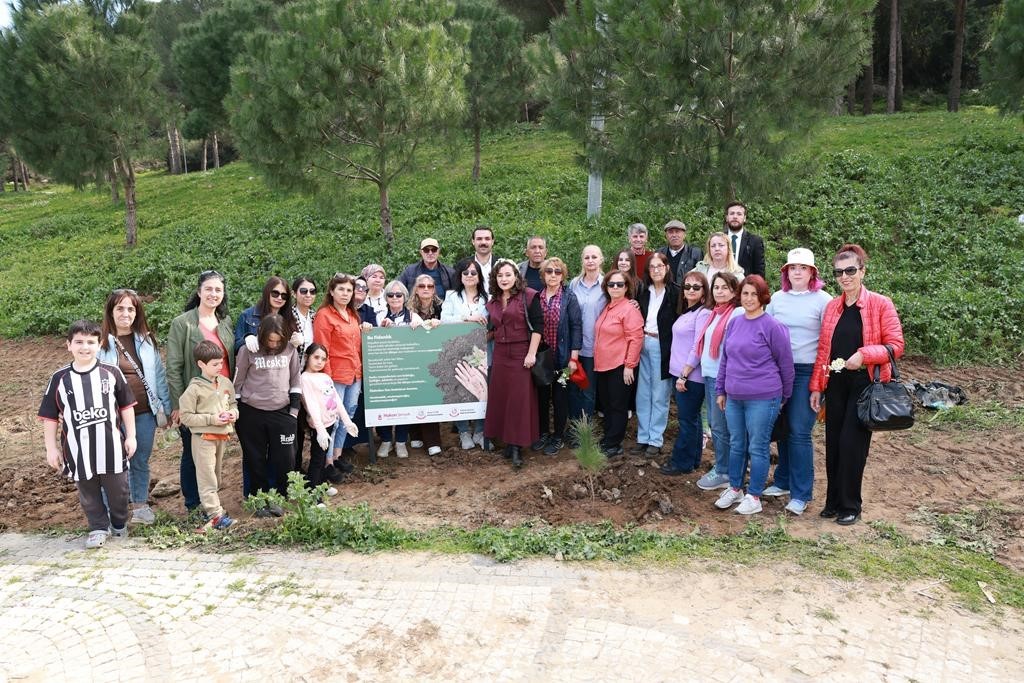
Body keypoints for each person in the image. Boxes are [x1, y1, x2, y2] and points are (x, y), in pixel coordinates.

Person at [810, 244, 904, 526]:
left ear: (862, 271)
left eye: (850, 270)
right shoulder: (831, 307)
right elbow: (823, 351)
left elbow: (895, 346)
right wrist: (817, 386)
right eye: (839, 272)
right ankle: (834, 502)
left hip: (865, 383)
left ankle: (851, 504)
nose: (845, 277)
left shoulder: (880, 303)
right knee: (834, 444)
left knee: (852, 445)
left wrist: (864, 355)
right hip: (836, 382)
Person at [40, 320, 137, 549]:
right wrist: (51, 448)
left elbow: (126, 407)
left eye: (90, 342)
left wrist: (131, 436)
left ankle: (119, 524)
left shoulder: (111, 372)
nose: (85, 347)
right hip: (77, 450)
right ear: (69, 345)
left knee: (119, 491)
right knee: (89, 494)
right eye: (79, 342)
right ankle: (98, 528)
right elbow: (49, 417)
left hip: (112, 447)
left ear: (100, 344)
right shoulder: (59, 378)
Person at [713, 276, 794, 515]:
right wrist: (721, 389)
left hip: (763, 397)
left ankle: (754, 495)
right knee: (737, 443)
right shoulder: (735, 323)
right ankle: (736, 488)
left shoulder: (772, 327)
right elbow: (725, 359)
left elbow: (786, 365)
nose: (749, 299)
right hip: (734, 397)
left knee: (757, 447)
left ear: (763, 297)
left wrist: (784, 398)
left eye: (754, 294)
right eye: (745, 293)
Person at [764, 248, 832, 515]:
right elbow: (766, 331)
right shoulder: (777, 299)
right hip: (779, 370)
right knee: (782, 426)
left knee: (800, 431)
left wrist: (820, 382)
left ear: (812, 272)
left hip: (807, 371)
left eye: (803, 268)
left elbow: (827, 342)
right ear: (786, 272)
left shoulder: (823, 300)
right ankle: (782, 480)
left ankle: (802, 492)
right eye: (793, 268)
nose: (797, 272)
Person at [97, 288, 172, 526]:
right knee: (112, 462)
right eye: (120, 308)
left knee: (139, 460)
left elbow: (159, 377)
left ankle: (140, 506)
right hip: (112, 416)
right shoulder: (100, 344)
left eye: (131, 308)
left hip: (144, 413)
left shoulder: (146, 340)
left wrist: (166, 409)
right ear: (110, 311)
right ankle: (110, 511)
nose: (125, 313)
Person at [167, 270, 234, 514]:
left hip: (220, 399)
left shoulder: (225, 323)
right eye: (209, 289)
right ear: (199, 292)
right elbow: (174, 367)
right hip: (195, 401)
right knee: (191, 452)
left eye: (218, 290)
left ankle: (211, 501)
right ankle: (194, 504)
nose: (213, 294)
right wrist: (177, 404)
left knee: (214, 453)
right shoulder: (182, 323)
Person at [234, 314, 301, 514]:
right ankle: (259, 501)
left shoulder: (290, 349)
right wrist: (237, 410)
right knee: (255, 459)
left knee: (284, 460)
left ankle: (279, 498)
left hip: (282, 412)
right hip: (251, 412)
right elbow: (237, 382)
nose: (273, 344)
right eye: (269, 340)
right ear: (261, 335)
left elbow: (296, 380)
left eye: (277, 340)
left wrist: (294, 413)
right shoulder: (248, 350)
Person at [684, 272, 743, 491]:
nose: (719, 291)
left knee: (722, 426)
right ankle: (724, 467)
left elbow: (734, 349)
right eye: (716, 287)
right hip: (709, 375)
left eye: (724, 287)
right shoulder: (713, 313)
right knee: (717, 426)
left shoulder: (736, 313)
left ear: (734, 291)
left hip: (723, 378)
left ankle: (725, 471)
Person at [484, 259, 543, 467]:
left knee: (519, 401)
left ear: (516, 276)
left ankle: (518, 447)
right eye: (500, 276)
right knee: (502, 399)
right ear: (495, 279)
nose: (504, 279)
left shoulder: (529, 297)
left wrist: (531, 354)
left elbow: (538, 327)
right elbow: (491, 330)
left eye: (508, 275)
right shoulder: (493, 302)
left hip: (521, 354)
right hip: (500, 355)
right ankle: (508, 443)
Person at [177, 340, 238, 531]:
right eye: (215, 364)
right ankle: (216, 516)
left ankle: (212, 511)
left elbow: (234, 404)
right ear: (201, 364)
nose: (219, 367)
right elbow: (185, 416)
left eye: (221, 363)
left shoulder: (226, 382)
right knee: (207, 479)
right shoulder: (194, 388)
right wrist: (212, 419)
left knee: (216, 477)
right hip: (203, 439)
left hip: (222, 437)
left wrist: (233, 415)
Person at [661, 271, 712, 476]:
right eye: (687, 286)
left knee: (686, 420)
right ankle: (693, 460)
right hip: (680, 373)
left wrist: (684, 374)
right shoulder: (688, 312)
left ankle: (681, 462)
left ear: (704, 292)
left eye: (696, 287)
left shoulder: (703, 313)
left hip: (691, 377)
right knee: (693, 419)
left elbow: (698, 346)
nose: (690, 290)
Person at [313, 273, 364, 468]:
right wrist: (326, 378)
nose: (345, 293)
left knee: (348, 415)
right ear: (332, 292)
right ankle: (327, 463)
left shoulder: (352, 315)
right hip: (335, 376)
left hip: (354, 374)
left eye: (349, 290)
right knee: (332, 418)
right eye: (341, 289)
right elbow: (321, 350)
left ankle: (337, 455)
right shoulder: (324, 315)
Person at [532, 257, 582, 456]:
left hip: (563, 358)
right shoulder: (537, 297)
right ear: (543, 275)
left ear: (563, 275)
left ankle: (558, 436)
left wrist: (574, 358)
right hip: (543, 358)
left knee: (561, 398)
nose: (553, 275)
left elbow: (576, 327)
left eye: (557, 272)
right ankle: (543, 432)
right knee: (542, 397)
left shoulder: (569, 297)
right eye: (549, 271)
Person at [593, 270, 644, 457]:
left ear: (626, 287)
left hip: (619, 366)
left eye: (619, 284)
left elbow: (636, 338)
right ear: (606, 287)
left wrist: (629, 365)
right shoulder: (608, 307)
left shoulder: (629, 309)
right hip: (603, 365)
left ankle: (614, 443)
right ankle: (608, 438)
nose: (615, 287)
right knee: (607, 405)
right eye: (611, 284)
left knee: (618, 405)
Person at [634, 252, 680, 456]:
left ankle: (655, 439)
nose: (656, 270)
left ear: (667, 268)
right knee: (643, 393)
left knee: (660, 394)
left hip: (663, 346)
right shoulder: (643, 292)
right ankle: (643, 437)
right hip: (642, 342)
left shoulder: (675, 292)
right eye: (652, 267)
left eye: (659, 266)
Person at [441, 257, 489, 450]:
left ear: (479, 276)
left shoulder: (487, 298)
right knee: (460, 391)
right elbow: (444, 319)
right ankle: (463, 432)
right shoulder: (452, 296)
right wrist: (468, 317)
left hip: (482, 352)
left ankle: (479, 431)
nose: (470, 276)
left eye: (473, 272)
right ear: (460, 276)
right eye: (466, 273)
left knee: (482, 391)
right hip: (457, 351)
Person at [300, 343, 358, 495]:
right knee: (317, 458)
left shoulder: (325, 377)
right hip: (319, 426)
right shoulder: (305, 378)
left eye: (323, 359)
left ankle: (321, 484)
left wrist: (347, 421)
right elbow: (310, 404)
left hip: (330, 422)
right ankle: (314, 493)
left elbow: (336, 400)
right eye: (316, 357)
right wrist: (319, 429)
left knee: (324, 455)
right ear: (307, 357)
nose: (319, 361)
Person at [375, 280, 422, 458]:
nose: (395, 298)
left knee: (404, 406)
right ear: (386, 298)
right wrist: (381, 329)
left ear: (405, 297)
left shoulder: (413, 317)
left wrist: (421, 326)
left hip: (406, 370)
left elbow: (422, 338)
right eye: (390, 295)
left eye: (398, 295)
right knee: (384, 405)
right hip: (383, 370)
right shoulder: (378, 315)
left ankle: (401, 441)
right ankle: (386, 440)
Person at [567, 245, 606, 429]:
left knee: (588, 391)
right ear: (582, 260)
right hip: (572, 348)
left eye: (594, 257)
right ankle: (574, 427)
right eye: (587, 257)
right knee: (572, 388)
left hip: (593, 348)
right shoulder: (574, 284)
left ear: (601, 259)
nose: (590, 260)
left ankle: (585, 430)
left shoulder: (607, 284)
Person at [408, 274, 444, 456]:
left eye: (430, 286)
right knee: (414, 393)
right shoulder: (406, 307)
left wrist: (441, 323)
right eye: (421, 285)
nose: (426, 289)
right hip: (412, 358)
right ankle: (415, 434)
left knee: (429, 395)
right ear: (415, 288)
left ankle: (433, 441)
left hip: (434, 358)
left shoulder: (441, 307)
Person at [290, 275, 318, 472]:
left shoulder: (315, 317)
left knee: (314, 424)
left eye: (312, 291)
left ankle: (314, 471)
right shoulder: (287, 317)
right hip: (291, 378)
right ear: (294, 293)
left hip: (312, 377)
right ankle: (295, 471)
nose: (308, 295)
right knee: (296, 428)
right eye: (303, 291)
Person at [234, 276, 300, 355]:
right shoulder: (247, 315)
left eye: (284, 296)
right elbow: (235, 348)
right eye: (275, 293)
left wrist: (297, 342)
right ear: (267, 292)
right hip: (255, 364)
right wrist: (246, 338)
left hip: (281, 365)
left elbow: (294, 353)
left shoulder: (289, 318)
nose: (279, 298)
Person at [724, 202, 766, 279]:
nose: (735, 217)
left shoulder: (755, 241)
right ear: (727, 217)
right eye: (732, 213)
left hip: (745, 287)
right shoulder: (718, 240)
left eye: (739, 214)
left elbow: (759, 272)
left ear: (744, 218)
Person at [656, 219, 703, 285]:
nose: (674, 235)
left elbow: (701, 278)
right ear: (666, 235)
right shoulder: (659, 253)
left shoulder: (695, 253)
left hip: (687, 293)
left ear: (684, 235)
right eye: (671, 232)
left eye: (677, 232)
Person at [471, 225, 496, 295]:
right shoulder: (462, 265)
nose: (483, 242)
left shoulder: (502, 264)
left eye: (487, 239)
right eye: (479, 239)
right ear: (473, 241)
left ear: (492, 241)